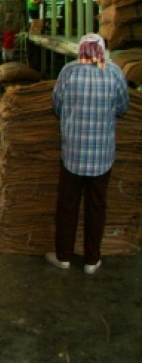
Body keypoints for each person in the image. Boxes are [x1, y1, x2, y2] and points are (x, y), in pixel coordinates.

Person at [46, 34, 129, 275]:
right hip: (102, 156)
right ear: (103, 50)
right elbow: (123, 107)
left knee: (67, 206)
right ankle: (92, 260)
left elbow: (56, 106)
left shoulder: (69, 72)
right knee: (97, 207)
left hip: (72, 153)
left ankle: (63, 256)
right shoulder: (114, 73)